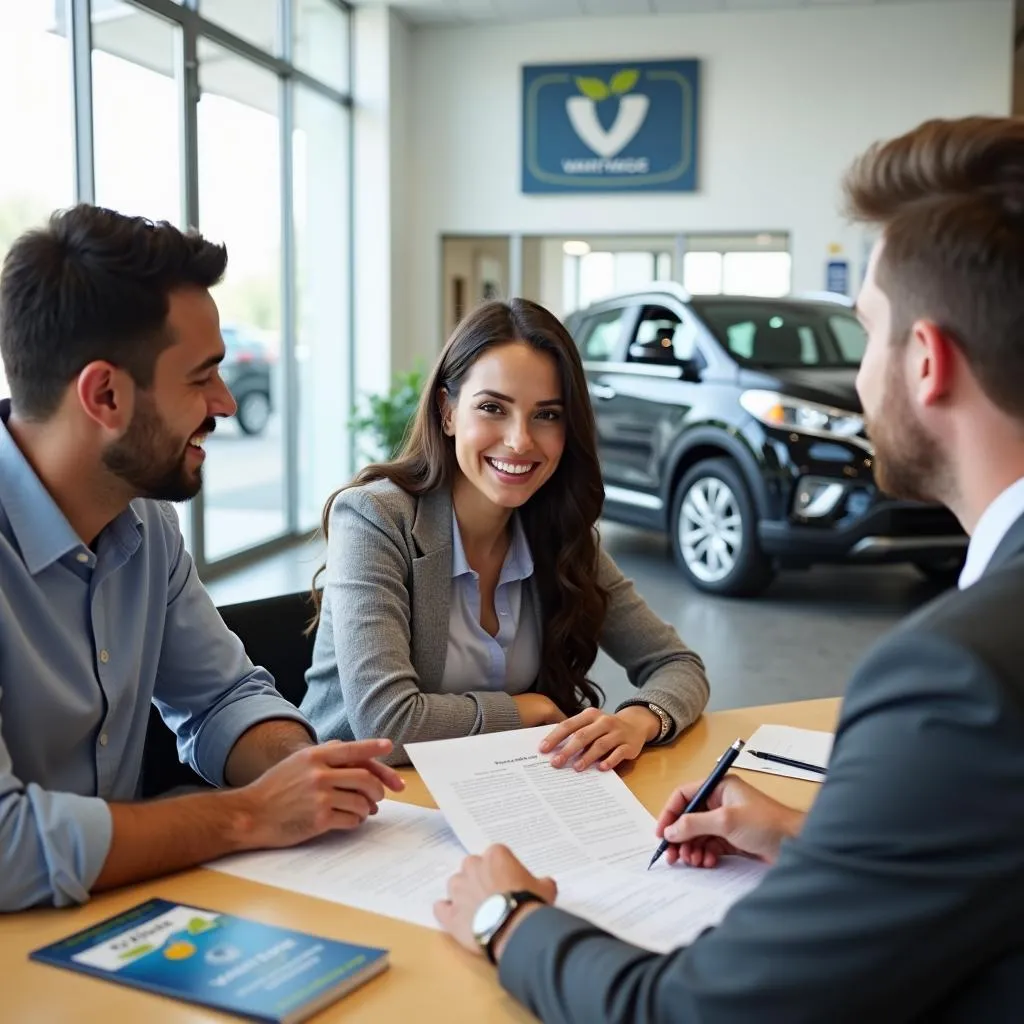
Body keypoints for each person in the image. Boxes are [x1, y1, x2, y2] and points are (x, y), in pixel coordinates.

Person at [433, 116, 1024, 1021]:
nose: (857, 382)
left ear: (927, 361)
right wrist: (815, 842)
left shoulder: (957, 676)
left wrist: (506, 920)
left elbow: (695, 1013)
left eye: (865, 335)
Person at [0, 205, 403, 913]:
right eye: (201, 377)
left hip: (110, 924)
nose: (224, 402)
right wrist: (248, 815)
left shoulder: (143, 521)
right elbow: (8, 847)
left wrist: (300, 772)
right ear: (105, 395)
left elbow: (220, 697)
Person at [301, 299, 709, 767]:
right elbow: (388, 724)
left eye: (547, 415)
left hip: (495, 797)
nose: (520, 440)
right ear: (448, 411)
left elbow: (678, 664)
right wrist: (525, 709)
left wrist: (639, 719)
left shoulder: (558, 533)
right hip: (357, 807)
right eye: (493, 407)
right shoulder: (375, 519)